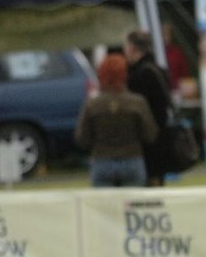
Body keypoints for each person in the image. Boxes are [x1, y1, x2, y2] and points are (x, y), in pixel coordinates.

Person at [75, 54, 157, 188]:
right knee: (132, 206)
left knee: (105, 208)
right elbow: (150, 134)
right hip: (132, 159)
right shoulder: (137, 102)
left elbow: (81, 138)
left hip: (102, 160)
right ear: (124, 75)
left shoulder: (92, 105)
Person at [124, 30, 172, 187]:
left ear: (132, 48)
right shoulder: (160, 70)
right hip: (162, 136)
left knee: (148, 185)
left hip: (145, 141)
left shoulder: (138, 75)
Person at [161, 22, 190, 93]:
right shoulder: (154, 53)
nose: (164, 38)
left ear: (170, 36)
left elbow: (185, 75)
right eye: (162, 34)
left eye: (166, 34)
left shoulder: (177, 53)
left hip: (176, 91)